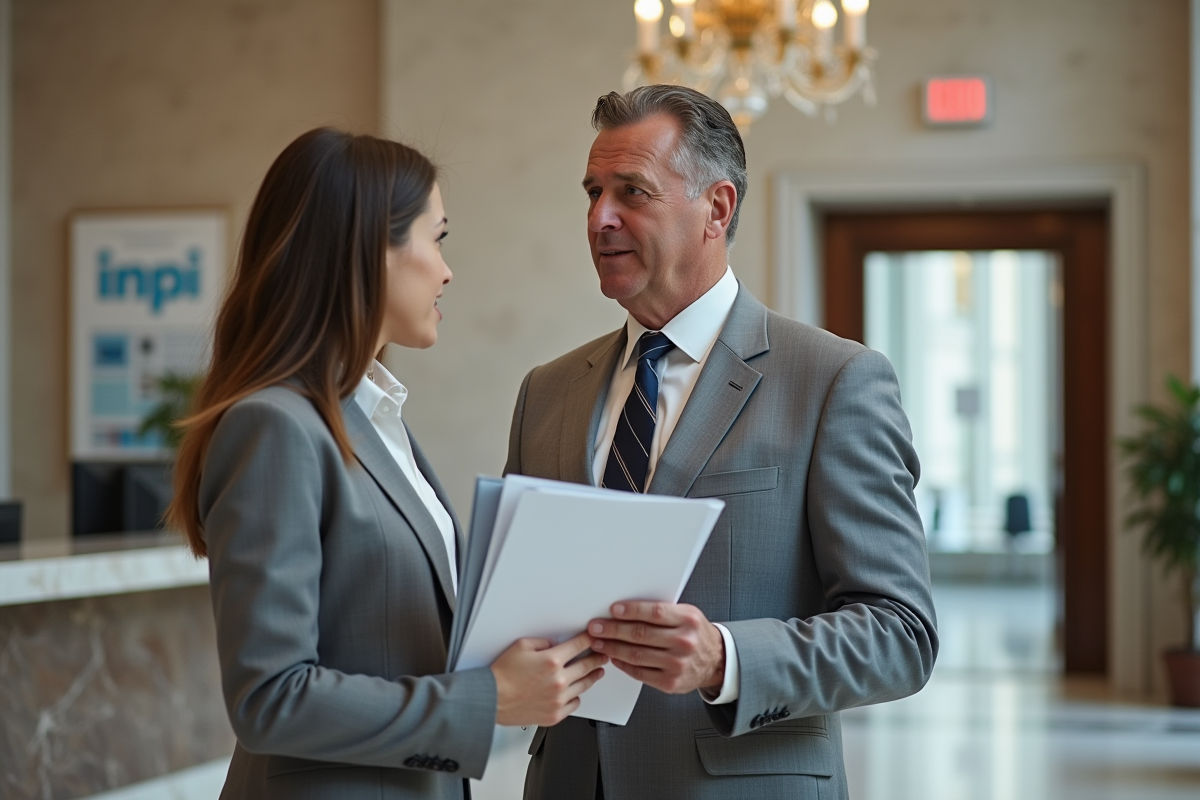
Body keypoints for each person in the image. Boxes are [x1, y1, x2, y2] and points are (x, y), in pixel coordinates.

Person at [504, 86, 939, 799]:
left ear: (718, 208)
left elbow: (900, 635)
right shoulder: (546, 391)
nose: (599, 218)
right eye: (592, 192)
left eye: (631, 192)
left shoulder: (834, 382)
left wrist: (725, 658)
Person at [166, 128, 607, 800]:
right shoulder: (275, 426)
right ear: (371, 248)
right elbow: (269, 698)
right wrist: (485, 699)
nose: (448, 270)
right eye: (438, 239)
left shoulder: (372, 420)